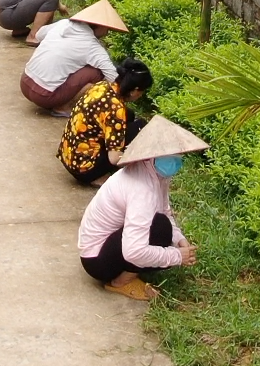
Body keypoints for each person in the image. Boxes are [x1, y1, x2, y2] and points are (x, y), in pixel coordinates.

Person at [77, 116, 208, 300]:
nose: (176, 161)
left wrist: (179, 239)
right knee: (161, 229)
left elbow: (164, 209)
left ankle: (129, 269)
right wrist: (177, 256)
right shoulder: (141, 188)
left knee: (163, 226)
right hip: (98, 260)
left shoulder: (155, 173)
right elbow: (134, 251)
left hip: (107, 245)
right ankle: (121, 281)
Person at [21, 0, 126, 117]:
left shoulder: (64, 23)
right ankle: (63, 107)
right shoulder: (92, 46)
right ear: (101, 26)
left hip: (25, 82)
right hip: (44, 96)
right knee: (97, 72)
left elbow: (39, 35)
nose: (107, 33)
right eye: (108, 29)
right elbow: (112, 77)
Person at [58, 60, 152, 185]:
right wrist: (133, 160)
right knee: (141, 126)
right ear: (134, 91)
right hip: (84, 170)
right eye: (141, 92)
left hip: (69, 155)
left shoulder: (102, 86)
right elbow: (114, 159)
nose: (140, 96)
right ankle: (97, 175)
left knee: (128, 114)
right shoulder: (116, 109)